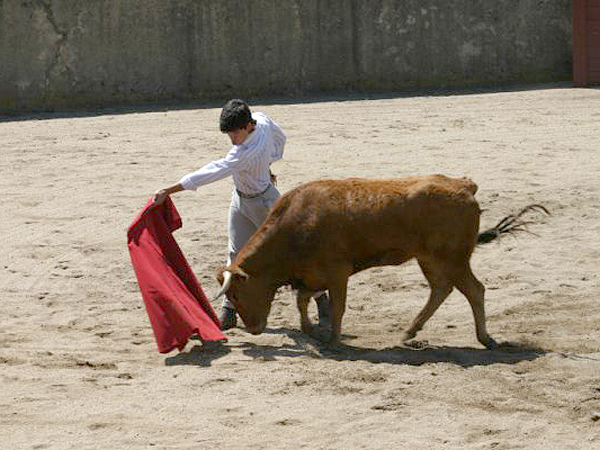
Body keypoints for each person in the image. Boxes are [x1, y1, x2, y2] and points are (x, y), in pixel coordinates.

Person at [153, 99, 329, 330]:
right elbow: (280, 138)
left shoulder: (245, 153)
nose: (233, 140)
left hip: (267, 205)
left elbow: (213, 171)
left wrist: (169, 190)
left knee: (290, 255)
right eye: (229, 135)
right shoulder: (262, 119)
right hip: (241, 201)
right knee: (235, 255)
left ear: (248, 126)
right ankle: (229, 310)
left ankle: (322, 301)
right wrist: (267, 164)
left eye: (236, 133)